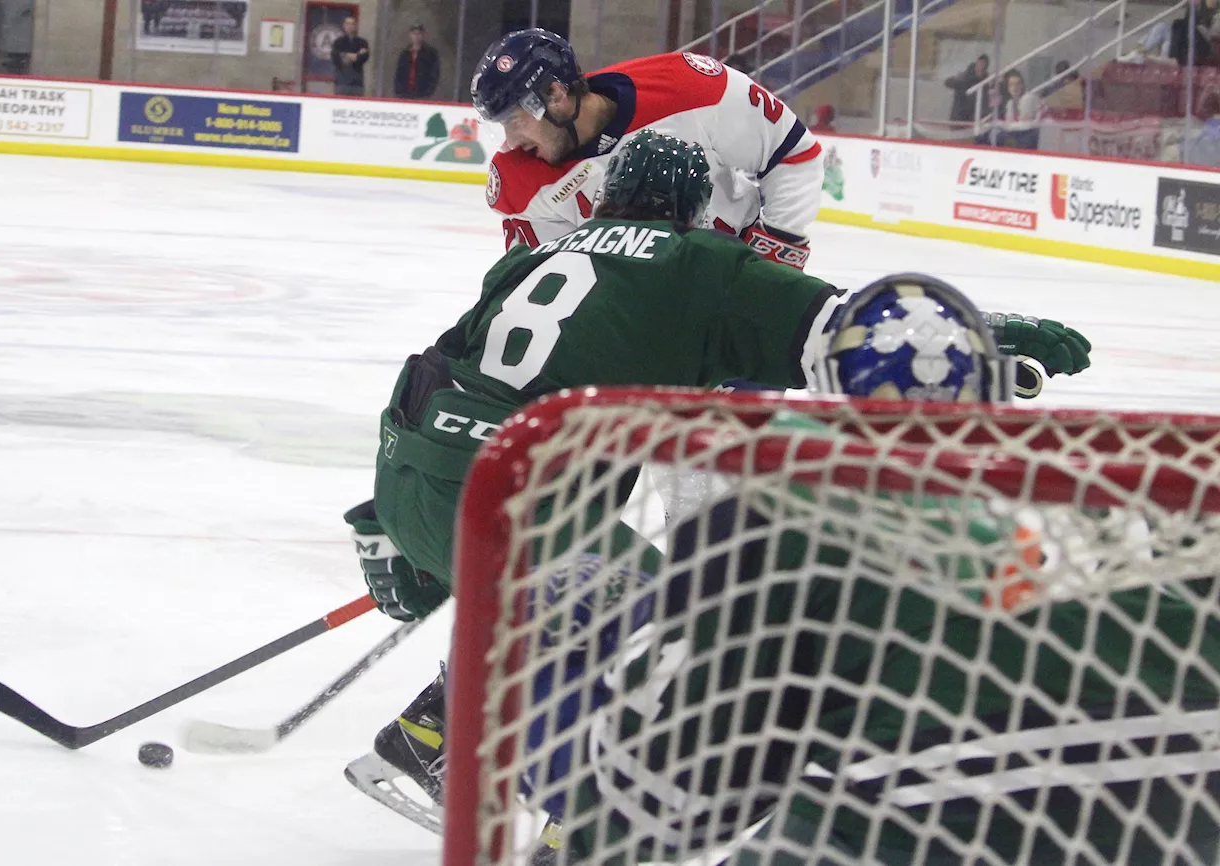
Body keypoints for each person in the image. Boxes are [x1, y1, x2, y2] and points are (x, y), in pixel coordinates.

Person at [341, 131, 1094, 830]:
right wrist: (981, 334)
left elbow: (437, 369)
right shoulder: (700, 264)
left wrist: (393, 523)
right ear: (699, 209)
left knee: (576, 611)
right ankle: (590, 826)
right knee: (675, 639)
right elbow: (854, 333)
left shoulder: (534, 258)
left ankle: (428, 735)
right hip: (523, 509)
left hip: (415, 479)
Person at [470, 29, 824, 272]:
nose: (512, 143)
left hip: (737, 300)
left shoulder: (691, 88)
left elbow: (794, 154)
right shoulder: (519, 180)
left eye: (514, 121)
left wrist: (765, 271)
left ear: (555, 95)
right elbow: (546, 287)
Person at [995, 68, 1042, 150]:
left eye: (1018, 84)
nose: (1014, 87)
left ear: (1022, 85)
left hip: (1034, 134)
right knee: (999, 135)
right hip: (1021, 133)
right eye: (1011, 84)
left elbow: (1026, 125)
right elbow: (1010, 125)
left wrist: (1003, 125)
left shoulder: (1028, 98)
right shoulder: (1010, 103)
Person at [393, 23, 440, 100]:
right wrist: (399, 92)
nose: (416, 37)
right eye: (414, 34)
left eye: (419, 34)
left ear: (423, 35)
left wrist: (427, 93)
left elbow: (434, 75)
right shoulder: (405, 54)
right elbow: (399, 74)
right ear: (410, 35)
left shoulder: (430, 54)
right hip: (405, 95)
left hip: (422, 95)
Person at [944, 53, 990, 126]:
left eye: (983, 65)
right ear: (976, 64)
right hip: (958, 118)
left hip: (973, 121)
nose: (980, 67)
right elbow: (948, 83)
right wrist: (955, 80)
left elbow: (986, 102)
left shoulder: (986, 83)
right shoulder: (964, 76)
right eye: (979, 64)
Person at [331, 16, 370, 97]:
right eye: (347, 24)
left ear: (355, 26)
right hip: (342, 82)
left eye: (352, 24)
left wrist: (346, 55)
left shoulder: (362, 42)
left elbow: (364, 57)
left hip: (357, 83)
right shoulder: (338, 42)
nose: (350, 26)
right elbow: (336, 58)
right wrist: (353, 55)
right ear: (344, 26)